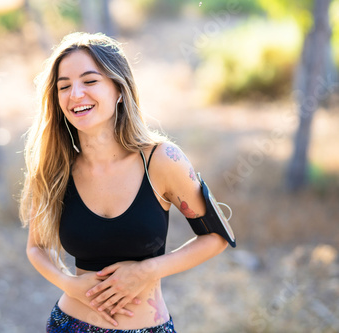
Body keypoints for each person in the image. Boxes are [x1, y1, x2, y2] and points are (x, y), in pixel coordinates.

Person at [20, 32, 229, 332]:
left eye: (90, 81)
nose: (75, 94)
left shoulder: (162, 159)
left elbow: (216, 237)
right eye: (64, 86)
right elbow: (37, 248)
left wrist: (148, 270)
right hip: (69, 324)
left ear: (119, 89)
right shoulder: (57, 167)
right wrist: (70, 284)